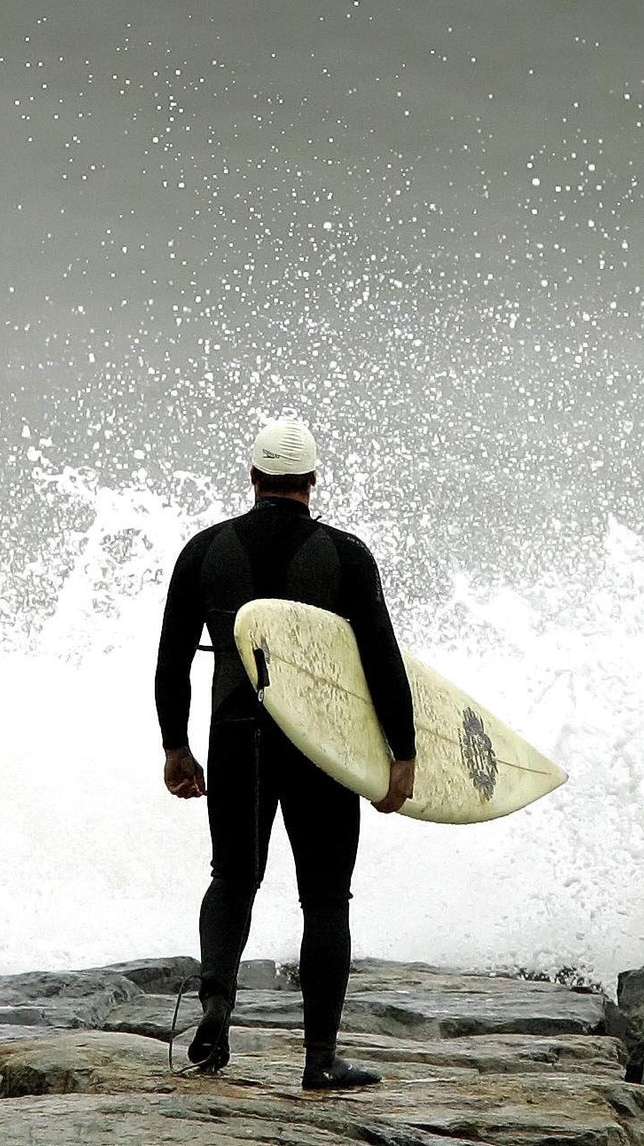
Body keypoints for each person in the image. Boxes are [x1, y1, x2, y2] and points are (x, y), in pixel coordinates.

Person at [153, 417, 417, 1092]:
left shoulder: (205, 551)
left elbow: (173, 660)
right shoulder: (345, 555)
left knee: (233, 877)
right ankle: (320, 1058)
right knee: (325, 898)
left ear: (252, 478)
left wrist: (176, 744)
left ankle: (216, 1008)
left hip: (236, 733)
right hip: (321, 743)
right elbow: (383, 660)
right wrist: (402, 751)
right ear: (313, 480)